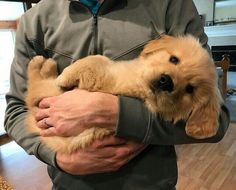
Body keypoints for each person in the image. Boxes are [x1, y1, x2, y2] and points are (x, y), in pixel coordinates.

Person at [4, 0, 230, 189]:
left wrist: (112, 112)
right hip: (69, 183)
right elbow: (15, 111)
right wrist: (57, 157)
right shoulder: (36, 20)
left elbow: (213, 121)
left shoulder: (172, 5)